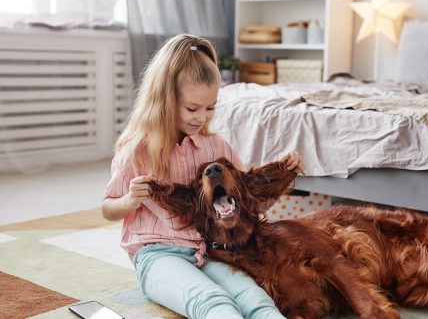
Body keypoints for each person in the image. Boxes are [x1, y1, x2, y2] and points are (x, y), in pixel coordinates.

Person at [101, 34, 304, 319]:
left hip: (209, 252)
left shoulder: (217, 147)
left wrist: (284, 176)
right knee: (213, 302)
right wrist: (129, 200)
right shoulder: (137, 150)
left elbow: (247, 205)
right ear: (165, 100)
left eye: (211, 108)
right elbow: (108, 209)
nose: (202, 118)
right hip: (158, 256)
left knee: (256, 299)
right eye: (192, 108)